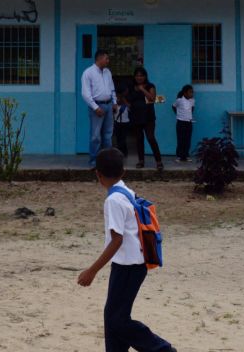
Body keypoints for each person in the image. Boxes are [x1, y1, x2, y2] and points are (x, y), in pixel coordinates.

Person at [77, 147, 176, 352]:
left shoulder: (113, 200)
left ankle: (161, 348)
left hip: (128, 266)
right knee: (113, 316)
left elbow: (116, 240)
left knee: (117, 319)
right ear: (123, 172)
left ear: (98, 174)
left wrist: (92, 270)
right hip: (133, 264)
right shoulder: (126, 191)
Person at [81, 50, 116, 167]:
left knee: (108, 135)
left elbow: (112, 88)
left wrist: (114, 102)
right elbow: (85, 93)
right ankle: (94, 162)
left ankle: (108, 162)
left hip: (108, 105)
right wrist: (95, 107)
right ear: (99, 59)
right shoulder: (88, 73)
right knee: (95, 136)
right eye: (106, 58)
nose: (108, 61)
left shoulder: (107, 72)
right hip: (97, 106)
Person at [127, 67, 163, 172]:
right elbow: (123, 97)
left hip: (148, 118)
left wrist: (142, 89)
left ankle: (159, 161)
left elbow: (152, 98)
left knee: (151, 138)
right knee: (139, 139)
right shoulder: (131, 87)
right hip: (136, 117)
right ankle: (141, 161)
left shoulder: (150, 86)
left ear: (145, 76)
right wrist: (127, 104)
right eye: (137, 75)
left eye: (141, 75)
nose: (139, 77)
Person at [172, 85, 195, 163]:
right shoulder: (179, 100)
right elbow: (173, 106)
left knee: (187, 140)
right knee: (180, 140)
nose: (192, 93)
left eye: (192, 92)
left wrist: (189, 116)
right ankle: (179, 156)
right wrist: (178, 114)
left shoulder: (192, 100)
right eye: (190, 92)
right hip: (180, 123)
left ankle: (186, 155)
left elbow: (192, 109)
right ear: (185, 93)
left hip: (189, 122)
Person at [112, 86, 132, 157]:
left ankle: (124, 152)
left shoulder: (127, 102)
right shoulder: (114, 103)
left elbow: (130, 107)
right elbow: (113, 111)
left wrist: (123, 99)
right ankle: (120, 152)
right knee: (118, 138)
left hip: (125, 123)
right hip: (117, 122)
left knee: (123, 138)